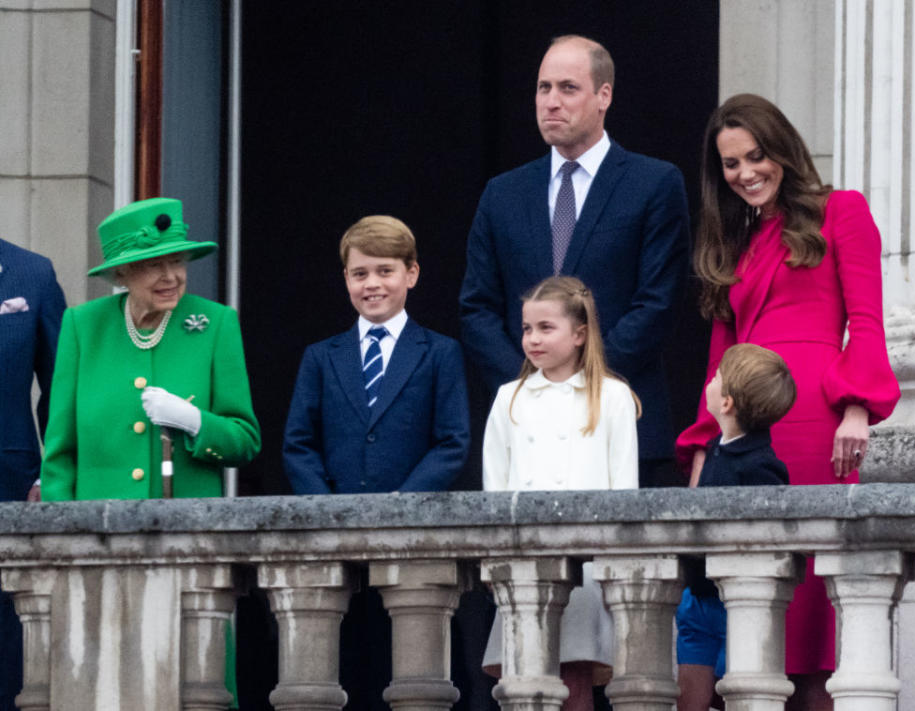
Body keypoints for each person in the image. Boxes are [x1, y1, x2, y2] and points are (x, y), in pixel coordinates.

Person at [676, 94, 901, 711]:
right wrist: (703, 444)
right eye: (729, 163)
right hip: (745, 424)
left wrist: (858, 407)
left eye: (756, 156)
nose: (745, 172)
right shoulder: (734, 241)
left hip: (816, 423)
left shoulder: (841, 211)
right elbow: (720, 358)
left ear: (783, 151)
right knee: (750, 601)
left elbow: (868, 320)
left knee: (810, 624)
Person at [40, 197, 261, 707]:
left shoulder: (215, 324)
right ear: (122, 273)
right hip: (98, 551)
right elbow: (60, 456)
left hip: (189, 548)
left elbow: (245, 440)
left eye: (178, 261)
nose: (171, 276)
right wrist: (64, 544)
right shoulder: (82, 328)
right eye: (153, 265)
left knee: (192, 686)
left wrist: (194, 422)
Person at [460, 34, 689, 488]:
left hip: (623, 422)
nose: (551, 102)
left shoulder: (654, 183)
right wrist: (532, 387)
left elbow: (658, 302)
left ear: (604, 95)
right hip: (524, 431)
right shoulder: (502, 194)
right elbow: (477, 307)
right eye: (544, 88)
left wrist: (583, 384)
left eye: (568, 88)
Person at [282, 215, 470, 710]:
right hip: (336, 541)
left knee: (414, 673)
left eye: (385, 271)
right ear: (345, 279)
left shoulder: (440, 352)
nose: (372, 284)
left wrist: (398, 505)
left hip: (413, 538)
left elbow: (452, 442)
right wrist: (326, 511)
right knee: (346, 668)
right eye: (360, 273)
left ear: (411, 274)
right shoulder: (321, 357)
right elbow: (298, 443)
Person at [481, 276, 640, 711]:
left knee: (574, 679)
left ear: (580, 333)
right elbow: (495, 488)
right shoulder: (508, 398)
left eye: (546, 328)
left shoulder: (612, 397)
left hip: (587, 567)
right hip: (523, 562)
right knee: (522, 681)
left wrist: (614, 571)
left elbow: (623, 490)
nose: (532, 339)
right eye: (527, 328)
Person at [676, 344, 796, 711]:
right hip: (699, 597)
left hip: (739, 602)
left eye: (716, 378)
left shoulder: (762, 466)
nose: (709, 382)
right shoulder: (715, 448)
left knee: (740, 695)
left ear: (726, 402)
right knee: (688, 697)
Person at [0, 238, 66, 710]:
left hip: (12, 489)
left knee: (11, 655)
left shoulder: (32, 272)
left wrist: (52, 476)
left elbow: (62, 388)